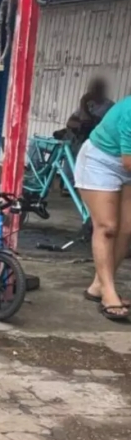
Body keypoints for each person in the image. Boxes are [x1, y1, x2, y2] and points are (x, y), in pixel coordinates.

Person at [75, 96, 131, 321]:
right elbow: (128, 161)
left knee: (126, 229)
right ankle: (109, 292)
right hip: (101, 160)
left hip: (126, 165)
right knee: (107, 226)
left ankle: (98, 286)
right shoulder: (130, 111)